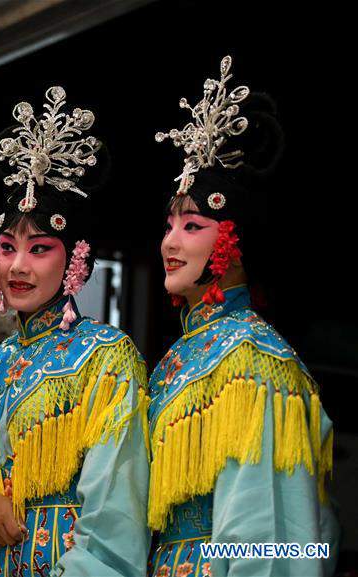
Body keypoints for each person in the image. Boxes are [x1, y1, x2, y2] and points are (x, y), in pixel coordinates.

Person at [148, 56, 337, 577]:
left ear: (232, 240)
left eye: (192, 226)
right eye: (169, 225)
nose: (169, 241)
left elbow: (273, 540)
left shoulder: (254, 361)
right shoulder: (177, 359)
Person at [0, 86, 150, 577]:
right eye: (7, 246)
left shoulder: (106, 356)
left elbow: (115, 514)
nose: (17, 266)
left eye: (40, 248)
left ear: (75, 259)